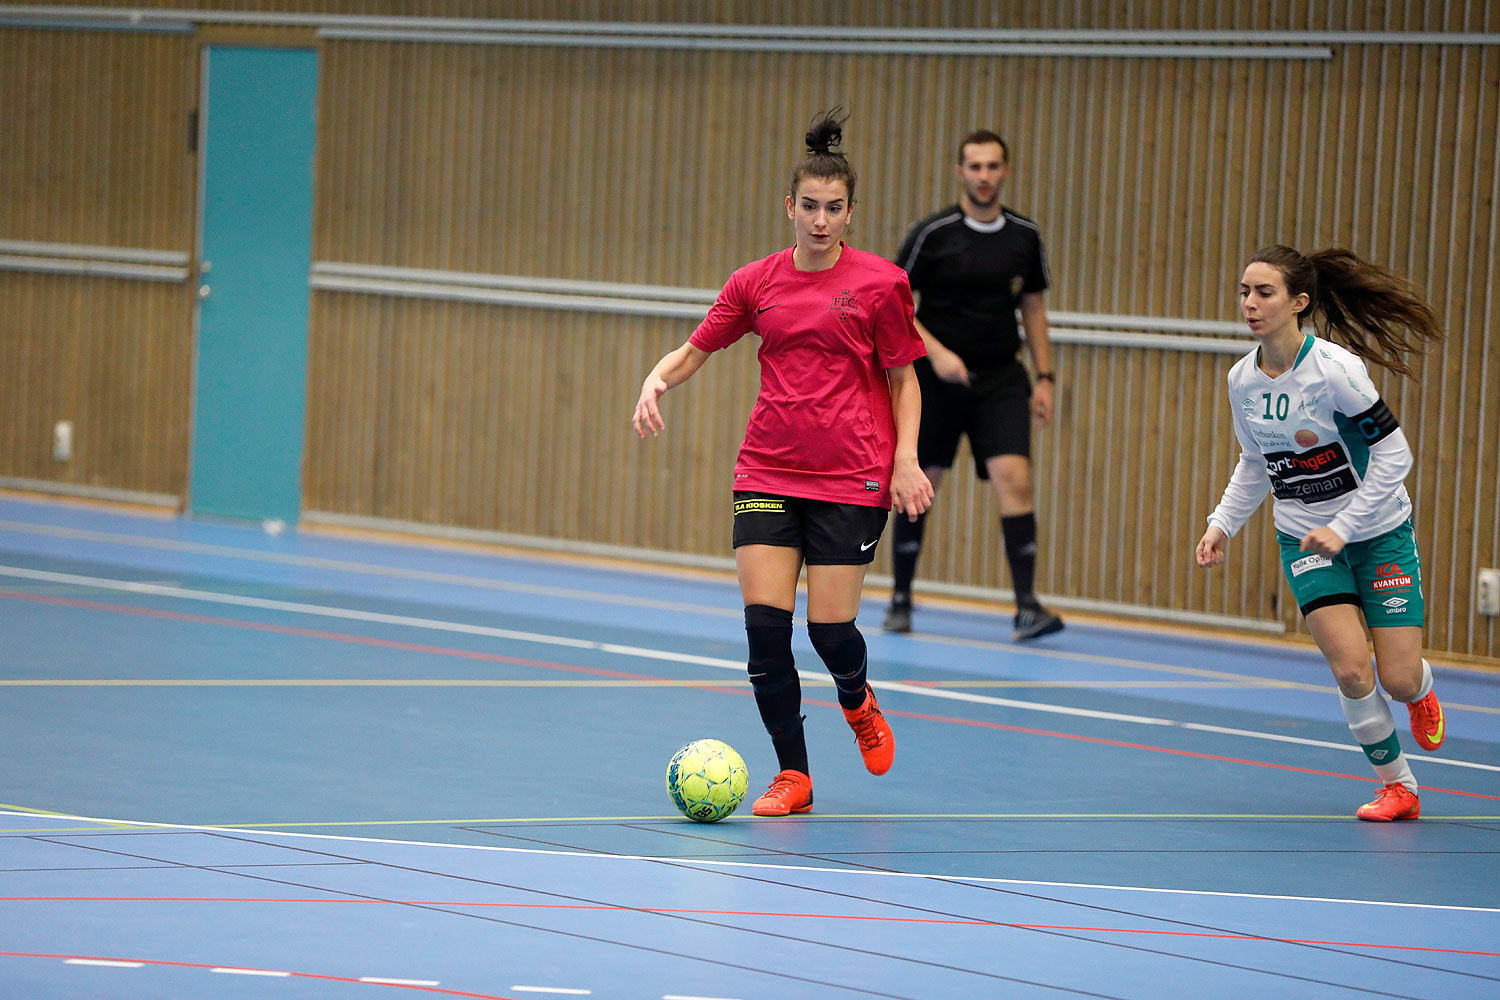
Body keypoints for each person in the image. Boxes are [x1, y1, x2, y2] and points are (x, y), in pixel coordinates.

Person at [632, 110, 933, 817]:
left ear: (850, 212)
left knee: (830, 632)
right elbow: (697, 347)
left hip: (852, 476)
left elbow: (904, 379)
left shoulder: (882, 284)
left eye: (833, 209)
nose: (820, 220)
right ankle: (793, 777)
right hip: (767, 470)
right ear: (788, 207)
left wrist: (905, 460)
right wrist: (656, 378)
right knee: (766, 635)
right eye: (809, 207)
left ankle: (857, 702)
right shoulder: (756, 282)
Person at [1196, 245, 1446, 822]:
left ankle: (1420, 688)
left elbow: (1394, 453)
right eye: (1244, 292)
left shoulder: (1336, 371)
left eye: (1264, 292)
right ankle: (1399, 787)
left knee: (1398, 677)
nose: (1250, 304)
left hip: (1378, 532)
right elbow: (1257, 462)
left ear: (1298, 302)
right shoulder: (1242, 380)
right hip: (1305, 539)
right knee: (1352, 670)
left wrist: (1347, 525)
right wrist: (1222, 523)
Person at [882, 130, 1063, 641]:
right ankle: (901, 598)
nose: (984, 176)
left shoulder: (1024, 236)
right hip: (935, 383)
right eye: (975, 167)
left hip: (1002, 379)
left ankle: (1027, 607)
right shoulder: (932, 234)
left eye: (992, 166)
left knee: (1016, 480)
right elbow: (895, 303)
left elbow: (1033, 309)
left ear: (1004, 171)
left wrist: (1045, 377)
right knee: (923, 482)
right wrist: (935, 354)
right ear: (960, 172)